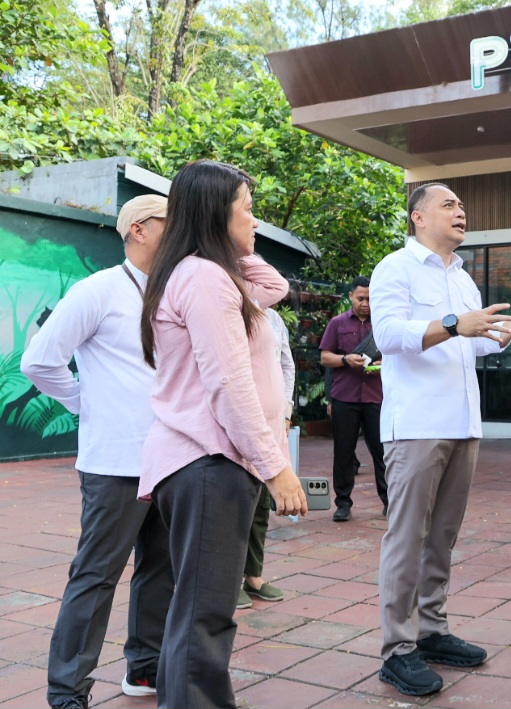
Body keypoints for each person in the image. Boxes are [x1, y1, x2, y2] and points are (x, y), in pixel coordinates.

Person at [370, 182, 511, 697]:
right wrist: (453, 324)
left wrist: (509, 329)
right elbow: (385, 336)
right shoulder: (395, 268)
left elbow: (475, 350)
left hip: (462, 424)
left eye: (462, 205)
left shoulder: (464, 279)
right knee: (407, 538)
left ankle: (431, 631)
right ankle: (397, 650)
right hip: (416, 427)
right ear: (417, 218)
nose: (461, 212)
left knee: (442, 537)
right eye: (448, 204)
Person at [139, 159, 307, 709]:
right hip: (210, 461)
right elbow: (228, 384)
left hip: (205, 462)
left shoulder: (210, 272)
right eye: (247, 209)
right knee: (206, 612)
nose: (255, 220)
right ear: (216, 213)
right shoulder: (206, 279)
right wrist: (275, 466)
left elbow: (277, 289)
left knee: (197, 608)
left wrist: (240, 245)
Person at [21, 195, 174, 709]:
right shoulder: (99, 289)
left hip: (173, 458)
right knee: (96, 576)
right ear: (137, 230)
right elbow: (40, 361)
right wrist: (86, 401)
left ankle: (145, 669)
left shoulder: (177, 292)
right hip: (116, 463)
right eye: (168, 223)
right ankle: (67, 689)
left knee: (161, 569)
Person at [238, 305, 295, 608]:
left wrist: (285, 409)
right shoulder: (230, 308)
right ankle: (230, 579)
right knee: (234, 506)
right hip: (238, 423)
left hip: (271, 424)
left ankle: (253, 575)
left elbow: (287, 364)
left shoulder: (273, 318)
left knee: (261, 506)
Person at [320, 276, 386, 521]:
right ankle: (343, 504)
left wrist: (384, 363)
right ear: (350, 297)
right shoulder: (337, 324)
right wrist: (346, 359)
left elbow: (397, 355)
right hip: (344, 398)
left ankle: (389, 501)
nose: (365, 303)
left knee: (382, 452)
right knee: (344, 453)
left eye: (370, 298)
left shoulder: (382, 325)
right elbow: (326, 357)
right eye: (360, 298)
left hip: (375, 397)